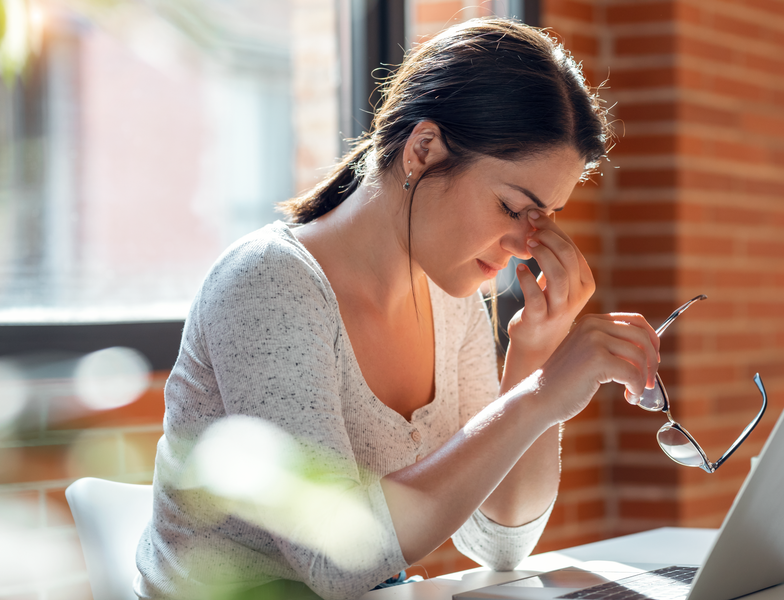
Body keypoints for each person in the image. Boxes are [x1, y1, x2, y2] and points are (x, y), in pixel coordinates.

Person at [134, 17, 660, 600]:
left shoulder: (448, 296)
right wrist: (540, 397)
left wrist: (534, 356)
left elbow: (498, 543)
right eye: (513, 208)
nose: (525, 247)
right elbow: (338, 559)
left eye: (542, 221)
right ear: (424, 150)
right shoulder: (268, 284)